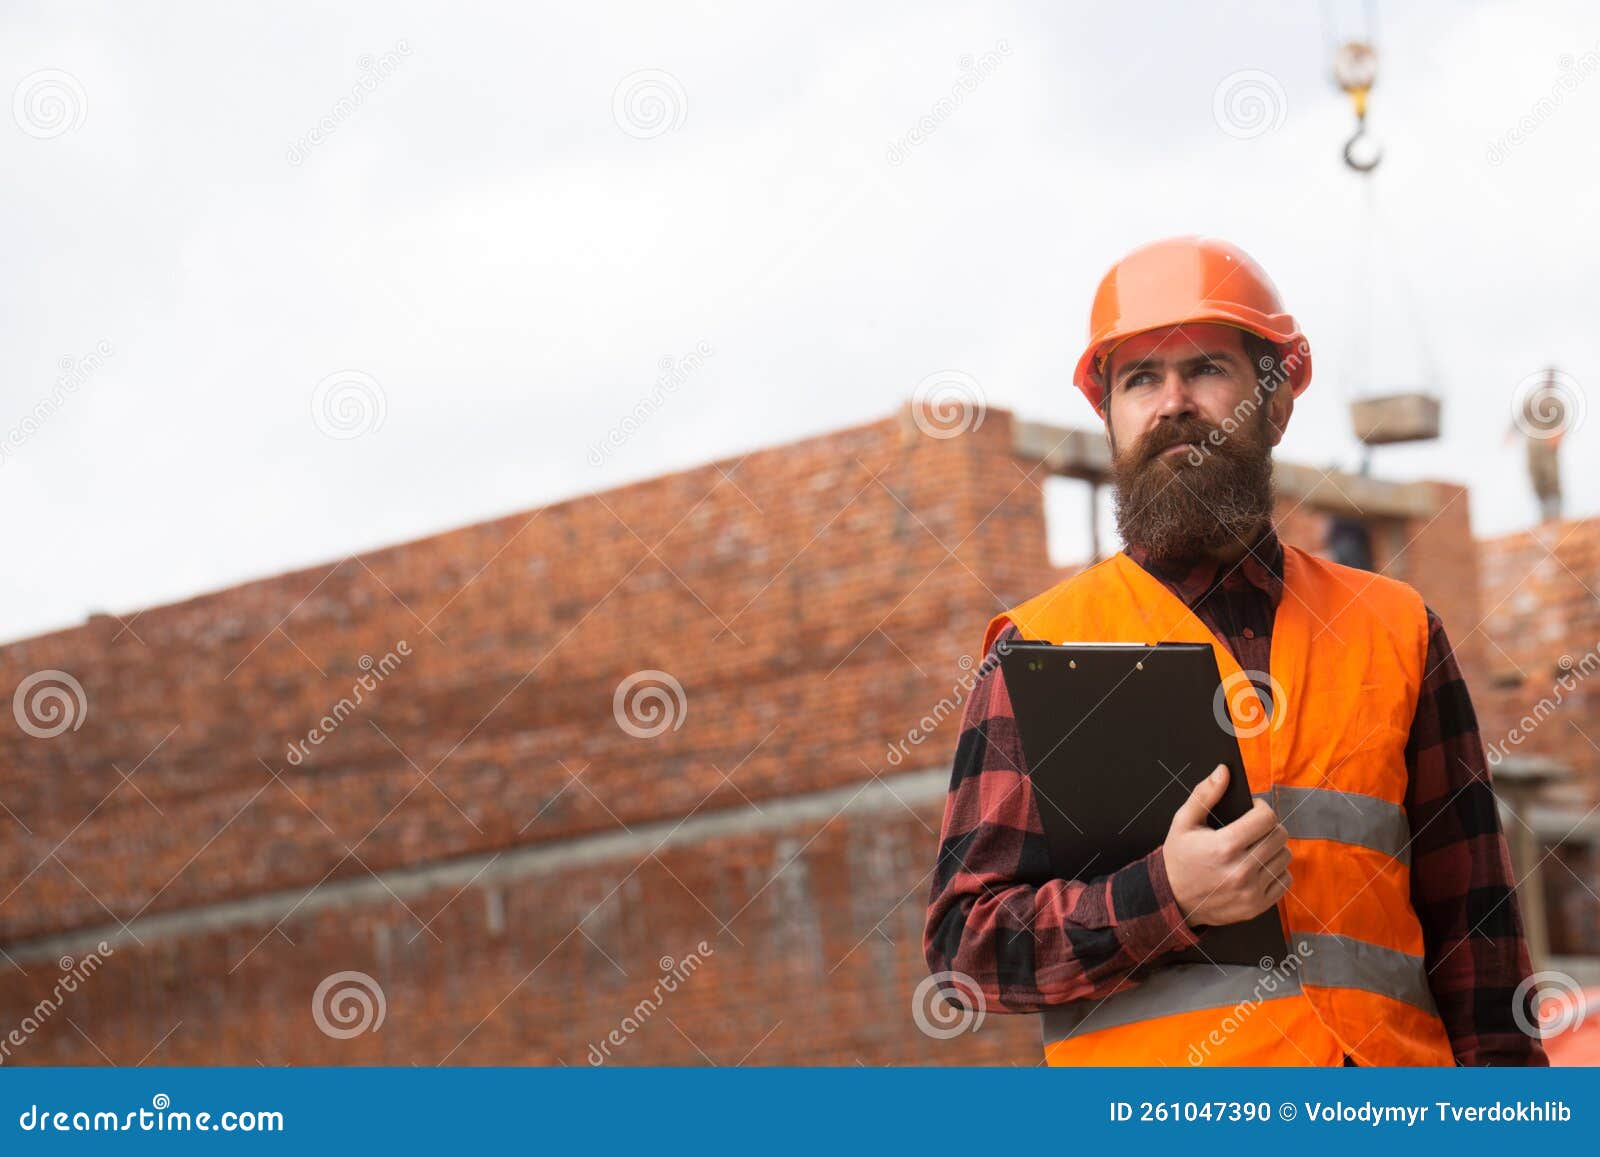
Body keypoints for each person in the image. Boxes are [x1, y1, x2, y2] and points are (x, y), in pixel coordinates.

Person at [921, 236, 1546, 1066]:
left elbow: (1482, 950)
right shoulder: (1038, 649)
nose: (1173, 403)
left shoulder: (1398, 628)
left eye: (1207, 369)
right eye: (1140, 379)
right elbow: (965, 948)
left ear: (1275, 402)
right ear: (1109, 417)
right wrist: (1162, 896)